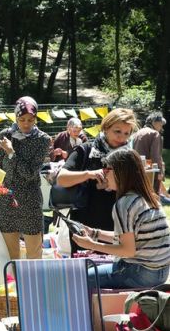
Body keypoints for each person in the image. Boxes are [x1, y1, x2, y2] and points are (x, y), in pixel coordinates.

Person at [72, 148, 170, 289]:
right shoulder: (148, 198)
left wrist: (91, 245)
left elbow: (127, 250)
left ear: (120, 172)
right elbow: (132, 240)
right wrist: (95, 233)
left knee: (79, 278)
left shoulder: (124, 204)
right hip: (160, 272)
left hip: (139, 272)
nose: (104, 173)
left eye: (107, 169)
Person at [56, 108, 138, 253]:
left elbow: (138, 189)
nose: (121, 138)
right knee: (83, 272)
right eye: (117, 131)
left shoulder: (129, 157)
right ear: (105, 128)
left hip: (117, 226)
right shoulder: (85, 150)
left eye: (126, 133)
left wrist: (116, 185)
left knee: (114, 272)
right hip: (85, 225)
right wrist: (90, 174)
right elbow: (61, 179)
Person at [0, 96, 51, 260]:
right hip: (5, 200)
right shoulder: (5, 135)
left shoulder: (42, 139)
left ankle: (34, 286)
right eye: (22, 119)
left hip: (29, 201)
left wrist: (12, 153)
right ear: (15, 117)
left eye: (30, 120)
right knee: (10, 256)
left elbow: (30, 173)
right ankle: (13, 286)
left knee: (34, 254)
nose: (26, 124)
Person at [132, 111, 166, 193]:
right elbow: (155, 156)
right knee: (153, 193)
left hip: (136, 167)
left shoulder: (138, 133)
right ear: (155, 122)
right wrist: (160, 172)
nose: (161, 128)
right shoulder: (154, 134)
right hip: (150, 170)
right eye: (161, 125)